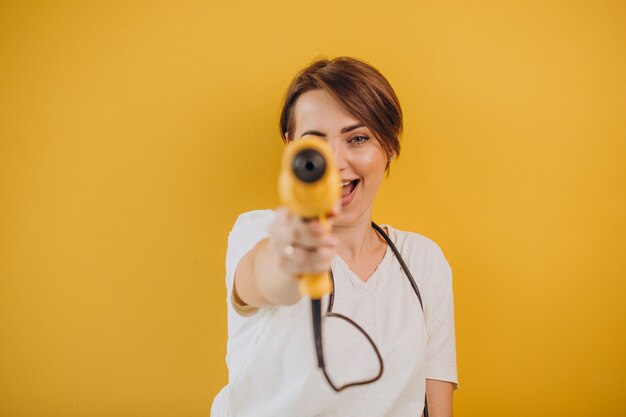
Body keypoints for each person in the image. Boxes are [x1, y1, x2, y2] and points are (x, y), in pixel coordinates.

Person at [211, 57, 458, 417]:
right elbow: (264, 281)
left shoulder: (424, 261)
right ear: (291, 146)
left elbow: (436, 403)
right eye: (315, 143)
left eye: (358, 138)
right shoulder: (262, 232)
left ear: (389, 146)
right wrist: (290, 258)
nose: (335, 162)